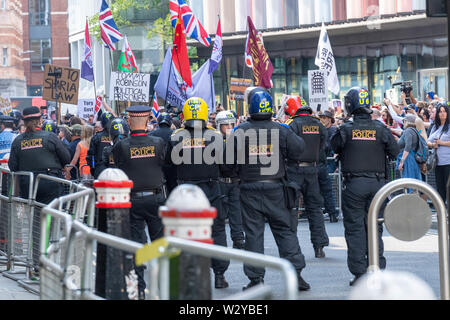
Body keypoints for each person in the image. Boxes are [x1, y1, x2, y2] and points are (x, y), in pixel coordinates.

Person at [228, 87, 310, 291]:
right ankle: (296, 275)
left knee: (253, 235)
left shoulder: (240, 131)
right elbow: (299, 149)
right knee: (285, 231)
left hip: (249, 188)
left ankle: (256, 280)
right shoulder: (281, 129)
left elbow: (227, 164)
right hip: (276, 188)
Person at [331, 87, 400, 286]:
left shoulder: (345, 129)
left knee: (355, 230)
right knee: (375, 228)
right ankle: (378, 270)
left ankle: (360, 273)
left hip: (354, 185)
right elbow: (395, 151)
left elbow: (333, 147)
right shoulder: (380, 128)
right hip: (378, 186)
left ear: (350, 104)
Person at [169, 97, 230, 289]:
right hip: (211, 189)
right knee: (217, 231)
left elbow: (170, 167)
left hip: (185, 191)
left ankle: (187, 275)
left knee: (185, 233)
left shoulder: (176, 137)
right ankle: (219, 274)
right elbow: (225, 165)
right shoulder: (216, 136)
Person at [112, 105, 167, 300]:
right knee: (160, 243)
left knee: (137, 245)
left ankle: (140, 290)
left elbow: (118, 166)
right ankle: (163, 286)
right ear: (147, 120)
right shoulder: (158, 142)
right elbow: (162, 163)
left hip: (133, 200)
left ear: (129, 121)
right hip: (156, 198)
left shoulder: (121, 145)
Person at [285, 96, 330, 258]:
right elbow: (325, 144)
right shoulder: (318, 123)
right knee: (315, 209)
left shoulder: (291, 124)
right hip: (312, 170)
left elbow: (286, 145)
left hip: (294, 170)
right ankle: (319, 247)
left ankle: (291, 247)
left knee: (292, 209)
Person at [215, 110, 246, 249]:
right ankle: (220, 243)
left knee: (236, 213)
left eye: (231, 124)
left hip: (235, 181)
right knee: (220, 215)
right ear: (218, 126)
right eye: (225, 125)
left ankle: (238, 239)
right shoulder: (214, 141)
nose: (228, 127)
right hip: (220, 181)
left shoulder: (239, 140)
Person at [318, 110, 339, 223]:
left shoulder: (333, 130)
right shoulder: (322, 130)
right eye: (321, 117)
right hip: (323, 161)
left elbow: (331, 146)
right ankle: (329, 210)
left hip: (330, 161)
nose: (322, 120)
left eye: (325, 118)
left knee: (329, 187)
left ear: (330, 119)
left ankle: (332, 212)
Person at [149, 113, 177, 194]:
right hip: (173, 168)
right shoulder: (177, 134)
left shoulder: (151, 134)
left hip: (157, 168)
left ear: (158, 122)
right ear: (170, 122)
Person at [427, 103, 450, 203]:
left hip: (448, 162)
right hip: (437, 163)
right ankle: (442, 212)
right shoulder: (435, 127)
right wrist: (433, 145)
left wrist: (441, 143)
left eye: (444, 111)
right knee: (440, 188)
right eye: (440, 112)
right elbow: (427, 141)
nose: (442, 114)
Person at [87, 112, 114, 179]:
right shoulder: (118, 137)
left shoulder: (96, 137)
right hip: (114, 170)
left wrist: (93, 169)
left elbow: (91, 155)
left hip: (100, 170)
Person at [396, 114, 422, 182]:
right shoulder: (414, 130)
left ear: (406, 121)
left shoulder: (408, 131)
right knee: (413, 182)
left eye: (404, 121)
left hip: (408, 159)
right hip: (411, 158)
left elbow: (408, 147)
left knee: (409, 182)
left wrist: (402, 162)